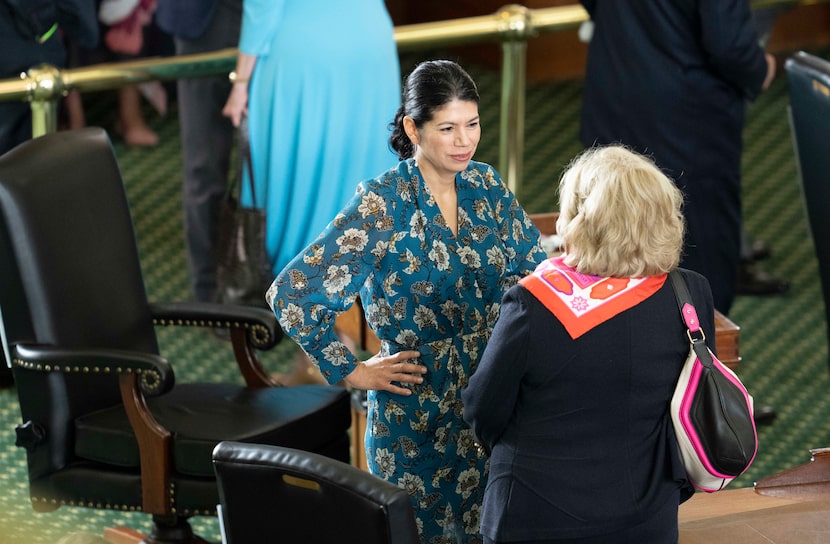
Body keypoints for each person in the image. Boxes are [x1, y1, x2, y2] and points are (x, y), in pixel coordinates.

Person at [268, 59, 547, 543]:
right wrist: (353, 370)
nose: (465, 141)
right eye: (448, 128)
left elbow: (534, 274)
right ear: (412, 128)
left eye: (472, 124)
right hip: (416, 418)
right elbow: (293, 293)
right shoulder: (383, 202)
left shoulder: (485, 185)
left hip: (493, 404)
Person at [463, 145, 713, 543]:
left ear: (582, 220)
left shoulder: (533, 304)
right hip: (646, 518)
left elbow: (482, 411)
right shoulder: (690, 294)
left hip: (536, 517)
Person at [578, 0, 776, 315]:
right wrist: (760, 68)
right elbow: (728, 43)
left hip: (615, 91)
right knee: (701, 260)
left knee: (612, 244)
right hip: (688, 125)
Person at [222, 0, 401, 278]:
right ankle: (356, 303)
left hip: (305, 60)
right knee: (366, 187)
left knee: (296, 192)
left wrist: (241, 80)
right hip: (371, 47)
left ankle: (297, 295)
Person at [156, 0, 242, 304]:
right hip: (205, 19)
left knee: (272, 168)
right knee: (204, 168)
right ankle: (209, 296)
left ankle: (264, 286)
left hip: (281, 19)